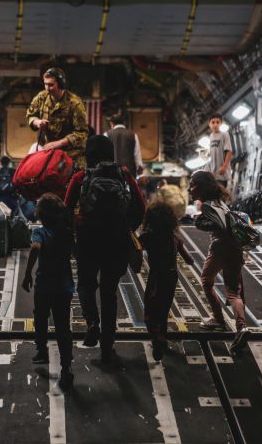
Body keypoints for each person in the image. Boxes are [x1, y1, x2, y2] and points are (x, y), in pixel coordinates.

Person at [64, 135, 146, 363]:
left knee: (86, 284)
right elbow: (141, 207)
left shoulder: (81, 177)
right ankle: (107, 347)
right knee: (109, 292)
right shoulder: (125, 175)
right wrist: (127, 227)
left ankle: (92, 322)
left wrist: (75, 229)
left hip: (88, 240)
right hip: (117, 241)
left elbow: (65, 209)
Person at [190, 170, 249, 354]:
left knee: (207, 282)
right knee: (233, 292)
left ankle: (218, 319)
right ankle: (242, 327)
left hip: (220, 247)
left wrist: (199, 221)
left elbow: (218, 226)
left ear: (201, 187)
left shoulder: (208, 206)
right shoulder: (222, 203)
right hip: (236, 248)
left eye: (192, 185)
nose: (190, 189)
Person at [21, 193, 75, 391]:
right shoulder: (67, 232)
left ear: (41, 215)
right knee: (63, 328)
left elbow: (35, 248)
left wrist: (28, 274)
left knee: (41, 317)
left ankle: (41, 349)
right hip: (64, 286)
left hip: (44, 286)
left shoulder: (40, 233)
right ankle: (66, 367)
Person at [140, 201, 193, 361]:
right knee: (163, 309)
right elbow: (189, 260)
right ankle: (163, 338)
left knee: (150, 310)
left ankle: (157, 337)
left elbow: (135, 249)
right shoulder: (174, 237)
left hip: (156, 276)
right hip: (171, 276)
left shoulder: (148, 236)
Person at [26, 68, 89, 169]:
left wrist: (58, 144)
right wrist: (37, 122)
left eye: (51, 85)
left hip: (72, 156)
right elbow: (30, 115)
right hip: (50, 153)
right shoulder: (41, 97)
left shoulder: (75, 103)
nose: (47, 88)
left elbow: (82, 134)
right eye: (45, 84)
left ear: (61, 84)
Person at [205, 113, 233, 189]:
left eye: (218, 122)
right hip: (214, 175)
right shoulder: (210, 137)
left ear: (221, 124)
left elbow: (229, 152)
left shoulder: (224, 134)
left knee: (221, 196)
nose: (215, 124)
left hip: (222, 174)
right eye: (213, 122)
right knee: (214, 198)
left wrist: (224, 167)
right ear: (209, 124)